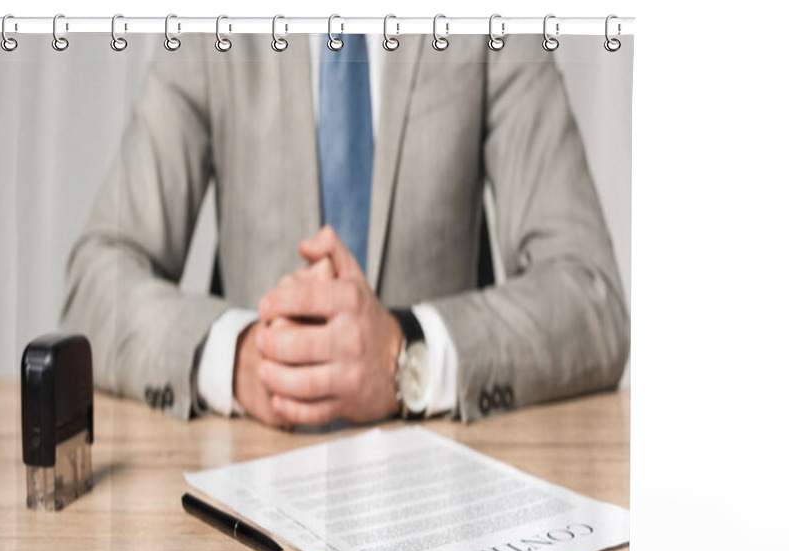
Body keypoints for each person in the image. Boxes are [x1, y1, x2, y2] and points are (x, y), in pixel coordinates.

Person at [60, 33, 629, 428]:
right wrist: (238, 357)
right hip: (248, 492)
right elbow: (95, 282)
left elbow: (591, 294)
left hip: (438, 491)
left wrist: (406, 357)